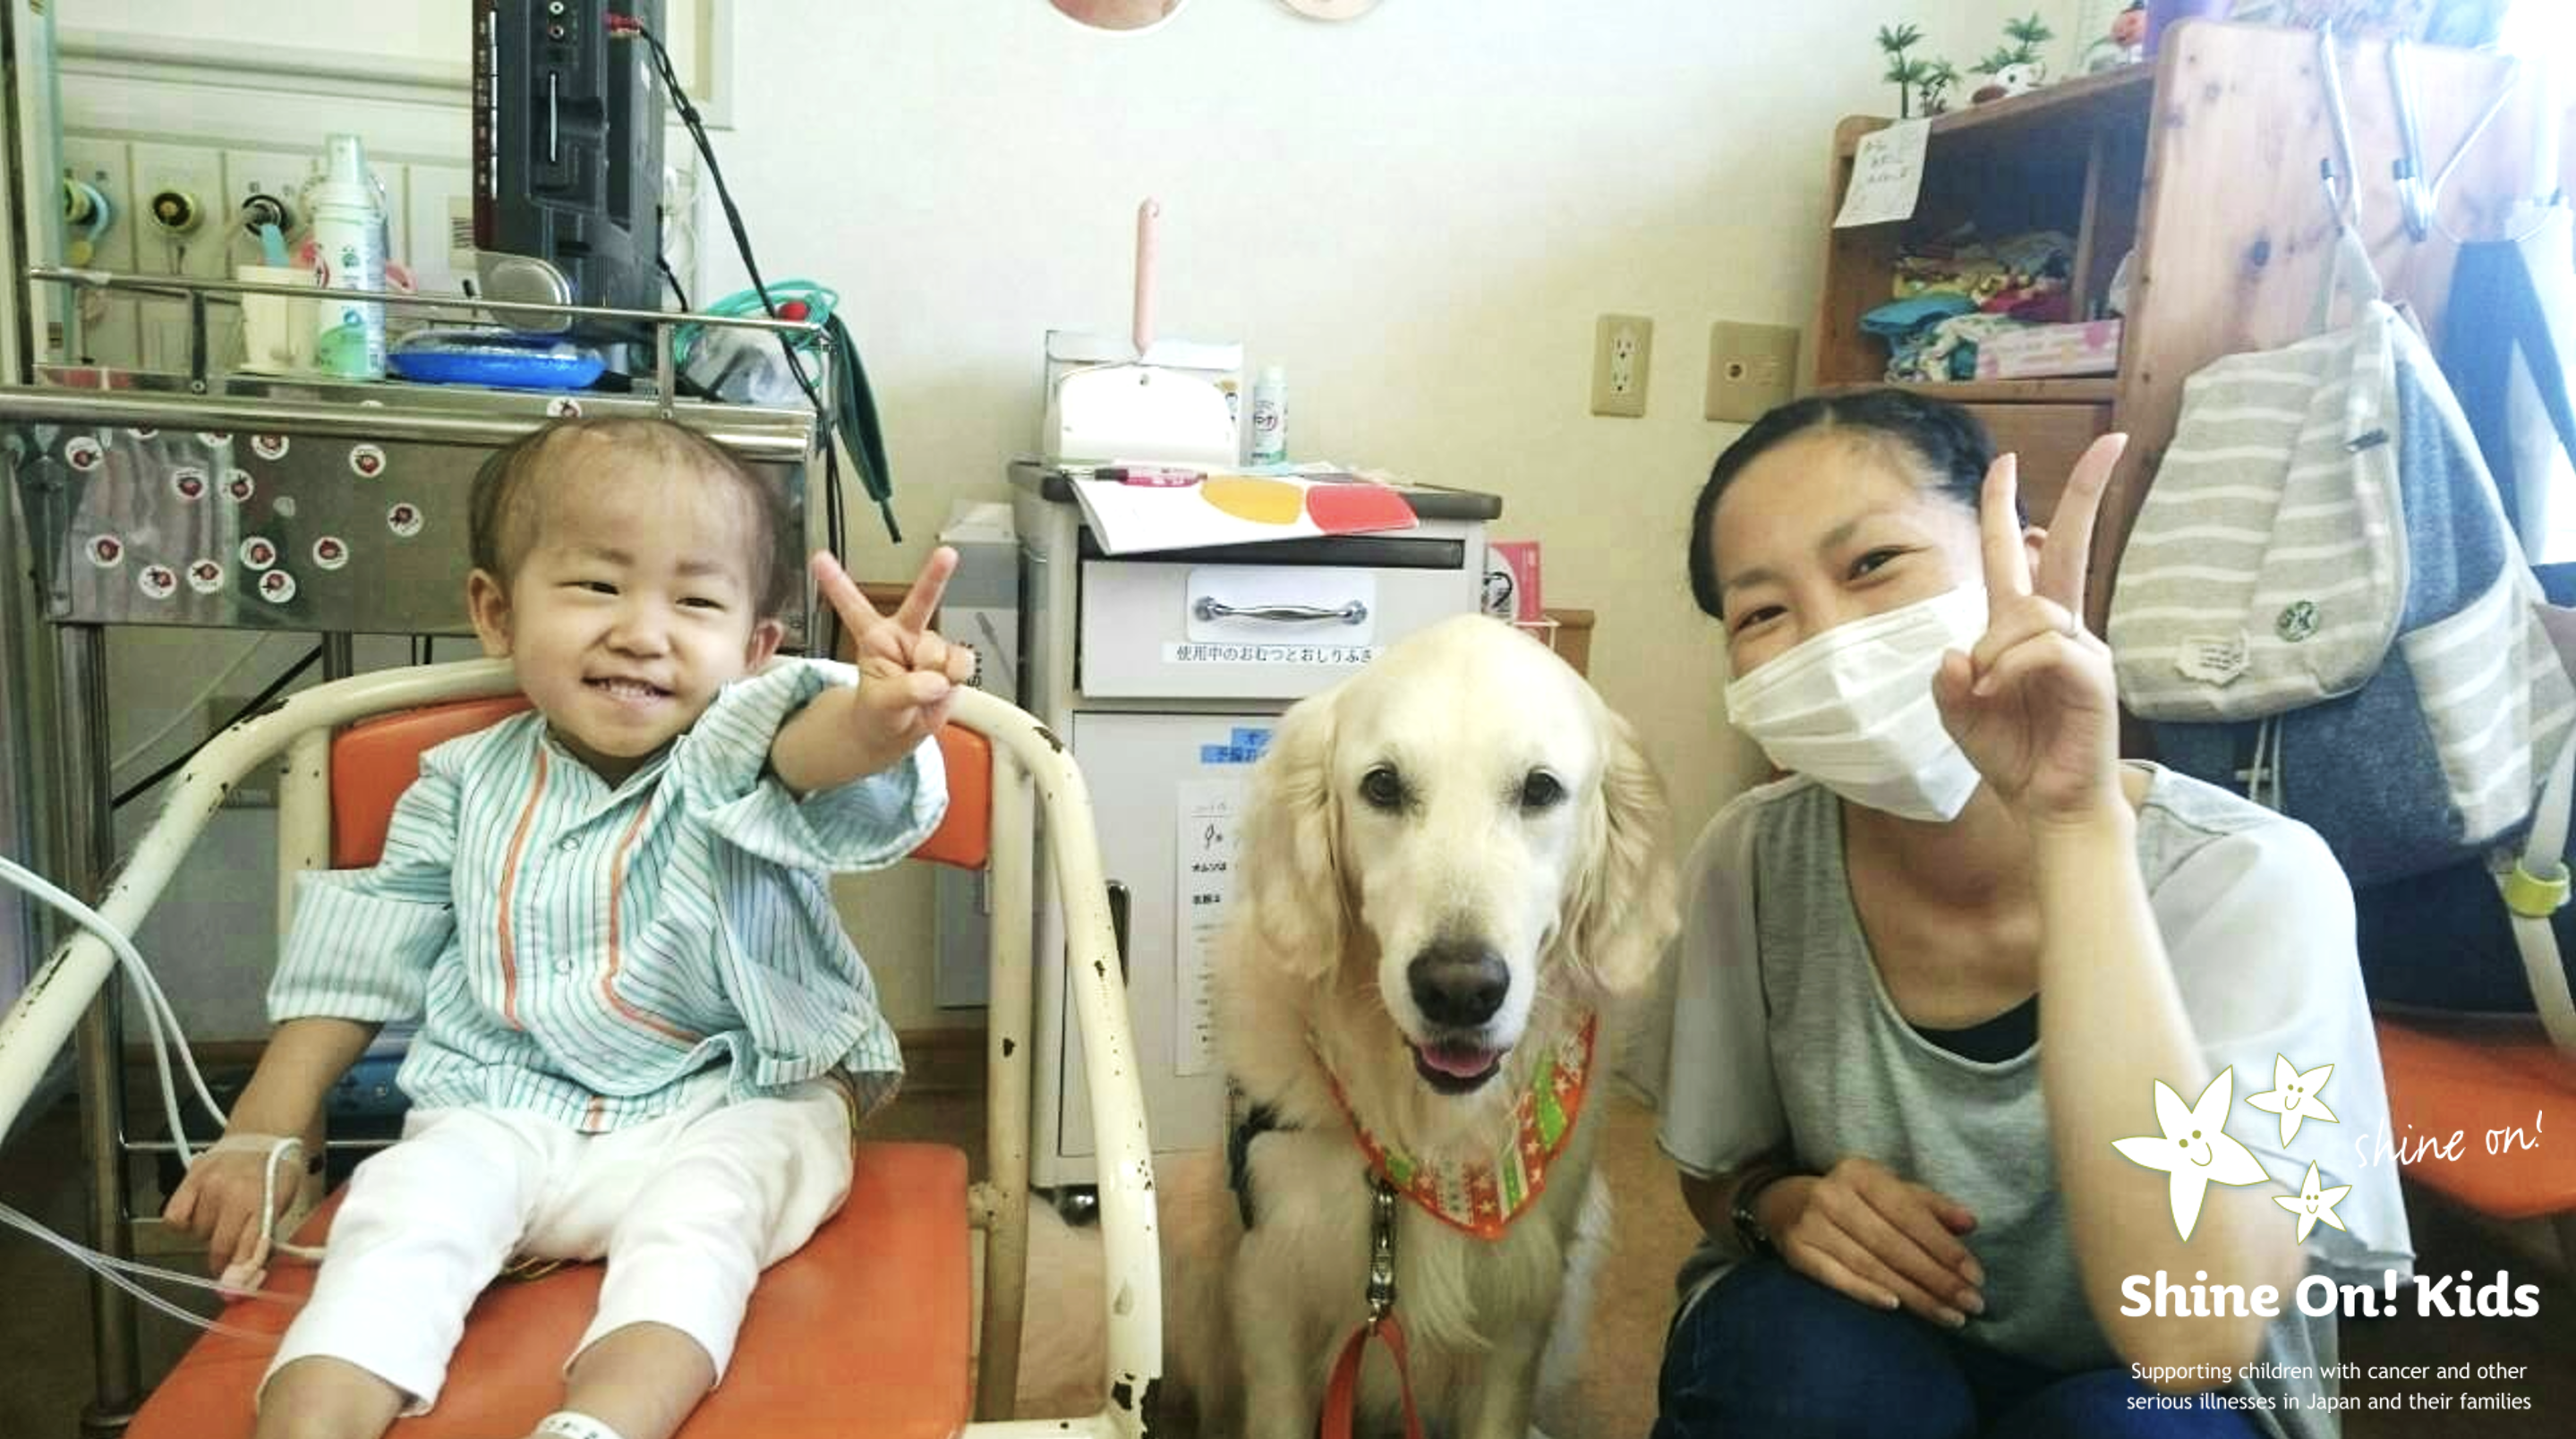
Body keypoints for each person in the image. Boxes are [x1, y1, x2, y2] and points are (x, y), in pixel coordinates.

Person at [161, 417, 977, 1439]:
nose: (643, 631)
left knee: (703, 1224)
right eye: (597, 586)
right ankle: (311, 1424)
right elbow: (361, 954)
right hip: (504, 1109)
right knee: (401, 1212)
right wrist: (265, 1126)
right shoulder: (455, 784)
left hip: (733, 1101)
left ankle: (600, 1425)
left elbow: (817, 749)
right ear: (496, 612)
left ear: (757, 650)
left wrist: (878, 718)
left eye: (694, 600)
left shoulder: (739, 748)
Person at [1652, 390, 2412, 1438]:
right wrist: (1775, 1208)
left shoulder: (2251, 879)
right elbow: (1717, 1175)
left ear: (2024, 560)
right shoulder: (1752, 857)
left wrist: (2075, 823)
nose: (1827, 636)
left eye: (1872, 563)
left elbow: (2192, 1342)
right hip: (1873, 1346)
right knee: (1798, 1371)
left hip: (2164, 1395)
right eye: (1762, 614)